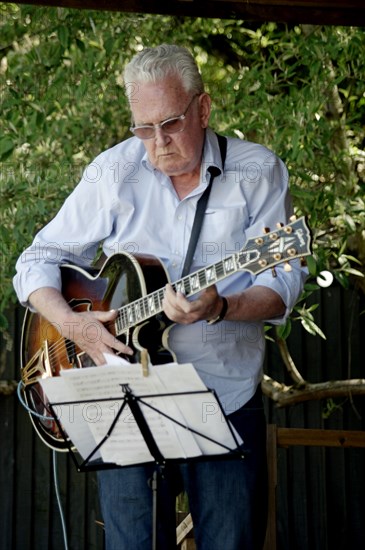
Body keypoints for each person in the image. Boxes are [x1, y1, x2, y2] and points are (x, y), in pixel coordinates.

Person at [14, 44, 307, 549]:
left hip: (227, 400)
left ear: (203, 108)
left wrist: (221, 307)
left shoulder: (257, 171)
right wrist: (73, 324)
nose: (157, 141)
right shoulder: (114, 170)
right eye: (142, 128)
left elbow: (281, 288)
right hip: (123, 402)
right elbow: (35, 259)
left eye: (169, 124)